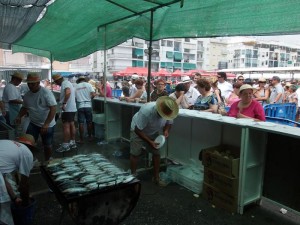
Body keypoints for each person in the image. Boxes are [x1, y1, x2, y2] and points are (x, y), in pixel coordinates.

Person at [130, 96, 179, 186]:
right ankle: (132, 176)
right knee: (135, 153)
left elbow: (169, 123)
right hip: (138, 129)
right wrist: (150, 141)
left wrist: (166, 130)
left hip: (152, 131)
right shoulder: (146, 111)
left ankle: (156, 177)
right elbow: (138, 130)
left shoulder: (170, 112)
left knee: (157, 153)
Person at [15, 73, 57, 161]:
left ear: (38, 83)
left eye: (32, 83)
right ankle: (31, 160)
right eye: (28, 83)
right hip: (33, 123)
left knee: (47, 144)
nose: (30, 85)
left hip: (47, 124)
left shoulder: (46, 93)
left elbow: (53, 109)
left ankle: (48, 160)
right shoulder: (27, 95)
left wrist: (46, 124)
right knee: (28, 143)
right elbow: (25, 107)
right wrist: (19, 116)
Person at [0, 134, 36, 225]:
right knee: (4, 213)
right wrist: (25, 202)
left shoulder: (8, 144)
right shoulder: (27, 154)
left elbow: (3, 179)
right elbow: (24, 184)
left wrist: (15, 197)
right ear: (31, 147)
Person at [52, 74, 77, 152]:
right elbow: (67, 93)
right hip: (72, 108)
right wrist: (59, 98)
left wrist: (64, 103)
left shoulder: (64, 83)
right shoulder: (68, 83)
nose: (56, 84)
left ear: (58, 80)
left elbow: (68, 92)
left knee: (66, 126)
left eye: (56, 82)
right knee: (71, 124)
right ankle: (72, 142)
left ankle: (65, 145)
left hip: (67, 109)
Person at [75, 76, 96, 143]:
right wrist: (89, 98)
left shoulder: (76, 86)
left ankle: (81, 139)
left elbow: (75, 97)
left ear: (79, 80)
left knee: (81, 123)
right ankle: (89, 137)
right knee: (89, 122)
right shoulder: (89, 85)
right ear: (84, 80)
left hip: (80, 106)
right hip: (88, 105)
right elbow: (93, 95)